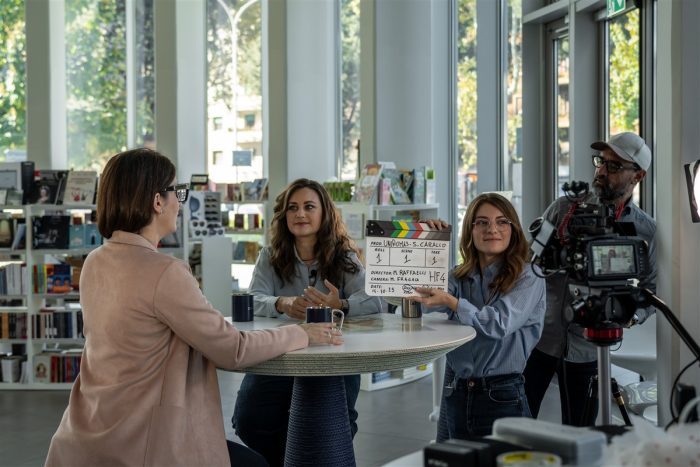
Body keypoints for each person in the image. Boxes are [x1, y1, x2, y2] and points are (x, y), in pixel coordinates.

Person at [44, 149, 342, 467]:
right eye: (177, 192)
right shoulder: (164, 272)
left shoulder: (94, 261)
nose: (180, 202)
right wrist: (303, 333)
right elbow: (233, 349)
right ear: (157, 202)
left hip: (87, 433)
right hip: (146, 441)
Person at [232, 178, 383, 467]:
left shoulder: (345, 256)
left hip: (334, 357)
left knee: (335, 424)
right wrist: (282, 303)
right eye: (293, 208)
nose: (300, 214)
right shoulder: (270, 255)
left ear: (325, 213)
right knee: (248, 419)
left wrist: (340, 305)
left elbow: (374, 301)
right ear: (284, 215)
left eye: (309, 207)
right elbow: (253, 298)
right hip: (279, 355)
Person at [523, 132, 657, 426]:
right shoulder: (563, 208)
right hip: (539, 339)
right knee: (518, 423)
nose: (601, 171)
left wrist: (629, 315)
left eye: (614, 166)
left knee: (580, 433)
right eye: (601, 162)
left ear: (638, 176)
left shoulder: (646, 230)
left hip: (589, 349)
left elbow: (653, 289)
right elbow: (526, 263)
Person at [411, 193, 546, 440]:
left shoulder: (529, 276)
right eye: (482, 222)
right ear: (470, 230)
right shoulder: (458, 276)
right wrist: (427, 244)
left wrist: (453, 303)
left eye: (502, 221)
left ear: (513, 229)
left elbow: (498, 323)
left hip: (502, 396)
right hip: (457, 392)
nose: (492, 229)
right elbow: (420, 300)